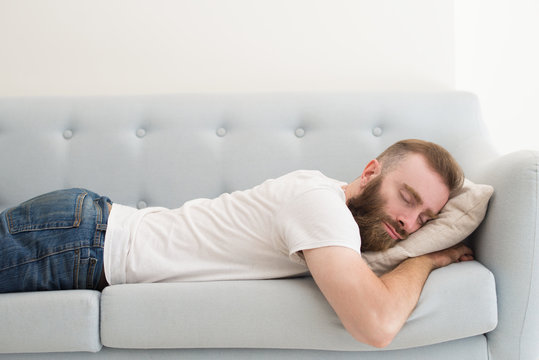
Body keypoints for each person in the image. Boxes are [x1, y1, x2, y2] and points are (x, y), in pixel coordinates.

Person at [0, 139, 474, 348]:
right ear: (371, 171)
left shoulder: (333, 214)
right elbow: (375, 324)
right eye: (406, 198)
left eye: (426, 220)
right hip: (76, 241)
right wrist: (428, 258)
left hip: (84, 235)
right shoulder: (320, 206)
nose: (409, 223)